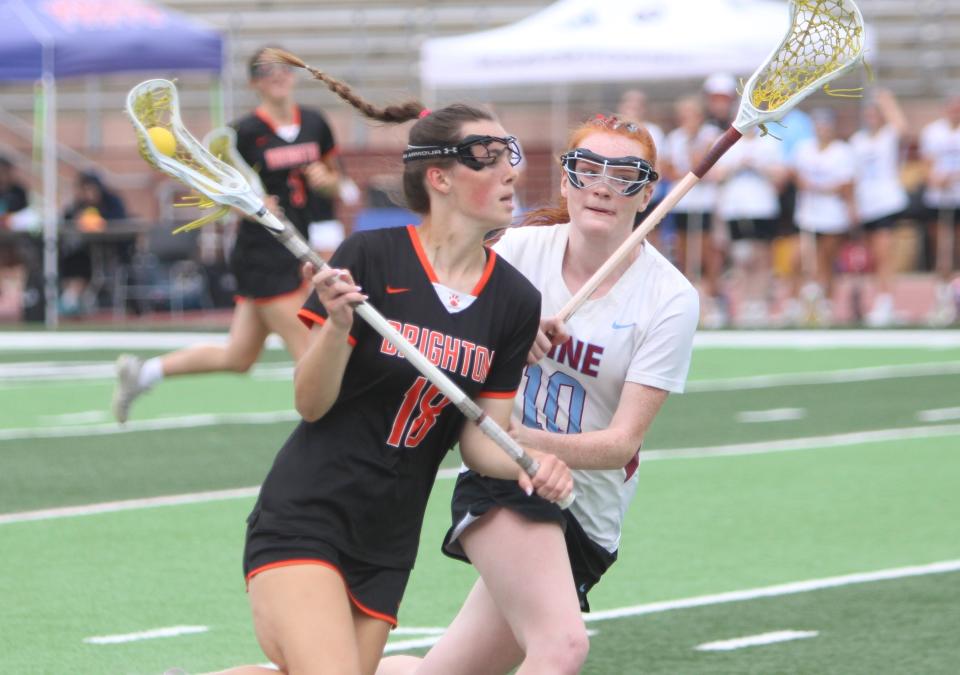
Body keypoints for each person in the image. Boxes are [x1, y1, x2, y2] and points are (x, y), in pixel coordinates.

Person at [208, 68, 573, 675]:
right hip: (310, 513)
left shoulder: (514, 299)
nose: (512, 169)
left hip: (388, 538)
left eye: (511, 153)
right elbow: (310, 403)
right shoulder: (371, 258)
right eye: (489, 157)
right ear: (440, 178)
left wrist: (530, 463)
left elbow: (483, 435)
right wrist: (337, 329)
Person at [378, 114, 699, 675]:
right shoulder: (518, 254)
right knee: (562, 648)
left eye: (625, 174)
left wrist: (519, 437)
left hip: (590, 515)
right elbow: (440, 349)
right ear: (565, 181)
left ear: (648, 194)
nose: (602, 186)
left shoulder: (670, 298)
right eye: (587, 169)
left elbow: (619, 444)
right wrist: (509, 344)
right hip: (508, 481)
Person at [112, 46, 344, 423]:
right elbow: (219, 193)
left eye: (283, 69)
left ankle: (145, 373)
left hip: (297, 245)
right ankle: (334, 429)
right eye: (266, 71)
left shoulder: (316, 123)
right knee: (311, 351)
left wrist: (327, 180)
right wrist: (252, 206)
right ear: (254, 82)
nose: (277, 76)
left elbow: (338, 184)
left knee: (238, 357)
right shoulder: (243, 132)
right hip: (262, 254)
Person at [713, 127, 787, 327]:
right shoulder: (727, 141)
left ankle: (759, 303)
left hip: (762, 207)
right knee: (740, 258)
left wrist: (758, 167)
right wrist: (737, 165)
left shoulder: (769, 142)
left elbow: (781, 176)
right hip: (735, 208)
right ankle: (743, 303)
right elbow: (715, 174)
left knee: (762, 258)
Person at [789, 107, 856, 326]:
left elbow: (846, 185)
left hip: (832, 215)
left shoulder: (842, 151)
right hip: (808, 214)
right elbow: (796, 175)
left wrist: (820, 187)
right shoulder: (804, 148)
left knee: (827, 261)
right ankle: (798, 303)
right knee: (799, 260)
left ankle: (827, 303)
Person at [849, 88, 910, 327]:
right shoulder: (857, 141)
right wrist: (853, 205)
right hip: (867, 205)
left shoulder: (887, 137)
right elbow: (854, 176)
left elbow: (902, 127)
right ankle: (882, 300)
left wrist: (887, 101)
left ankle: (885, 302)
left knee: (885, 255)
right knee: (874, 257)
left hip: (887, 202)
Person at [662, 95, 724, 326]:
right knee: (684, 250)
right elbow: (668, 168)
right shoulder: (675, 137)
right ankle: (688, 299)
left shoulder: (708, 134)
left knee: (708, 251)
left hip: (704, 201)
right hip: (684, 201)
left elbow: (702, 163)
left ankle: (711, 298)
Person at [59, 171, 128, 316]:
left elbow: (119, 219)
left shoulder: (111, 201)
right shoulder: (79, 204)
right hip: (88, 250)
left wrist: (100, 218)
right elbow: (67, 218)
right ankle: (71, 297)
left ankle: (73, 299)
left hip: (113, 248)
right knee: (72, 257)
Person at [919, 92, 960, 325]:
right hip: (939, 199)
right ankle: (942, 297)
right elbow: (927, 164)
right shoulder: (933, 132)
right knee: (941, 249)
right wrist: (936, 179)